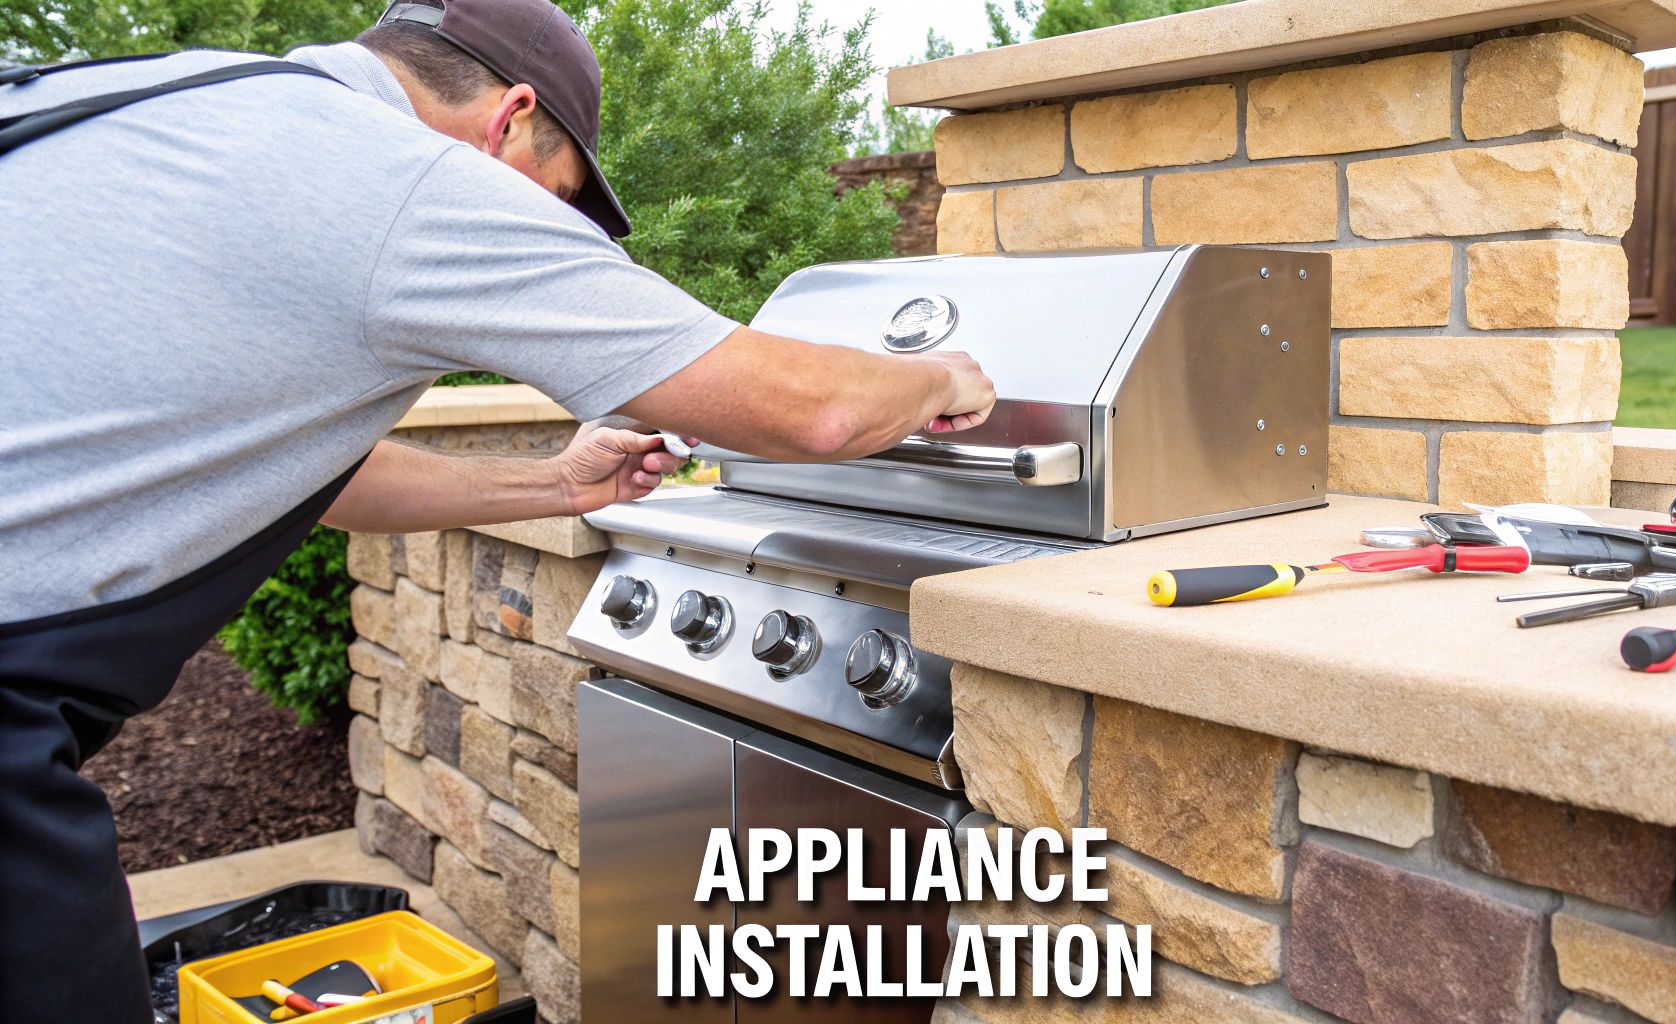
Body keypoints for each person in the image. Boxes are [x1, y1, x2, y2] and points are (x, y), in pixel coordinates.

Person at [0, 0, 996, 1019]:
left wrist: (553, 485)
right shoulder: (401, 178)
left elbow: (313, 475)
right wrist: (938, 381)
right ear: (510, 117)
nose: (547, 229)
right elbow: (811, 409)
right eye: (557, 199)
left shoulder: (163, 101)